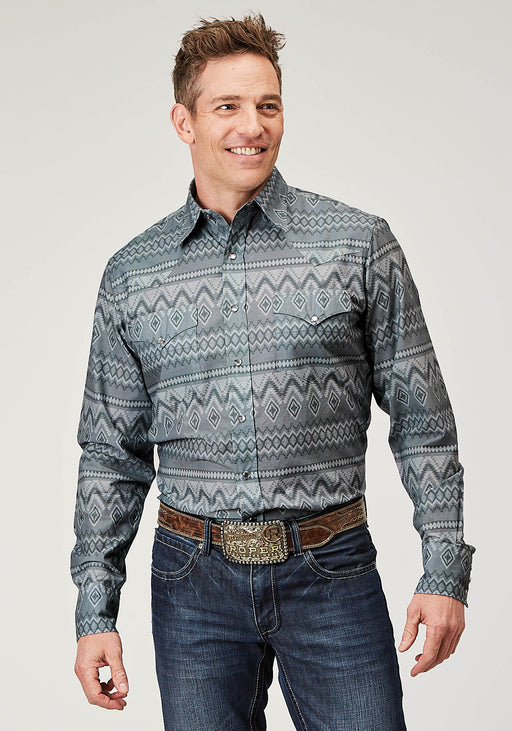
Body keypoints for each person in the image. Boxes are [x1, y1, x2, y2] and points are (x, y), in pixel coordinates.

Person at [72, 14, 475, 730]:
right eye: (227, 106)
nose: (252, 126)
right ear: (184, 121)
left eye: (268, 105)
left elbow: (424, 420)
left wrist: (444, 569)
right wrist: (93, 612)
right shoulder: (132, 275)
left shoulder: (358, 244)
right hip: (191, 584)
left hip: (331, 571)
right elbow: (111, 455)